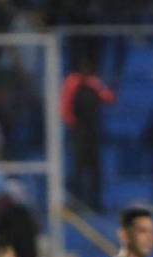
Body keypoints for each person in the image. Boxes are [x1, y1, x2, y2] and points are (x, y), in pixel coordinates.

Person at [61, 60, 116, 211]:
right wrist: (72, 126)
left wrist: (103, 86)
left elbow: (109, 98)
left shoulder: (94, 85)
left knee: (95, 169)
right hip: (79, 132)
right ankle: (76, 202)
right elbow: (66, 107)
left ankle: (95, 202)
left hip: (93, 133)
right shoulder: (72, 83)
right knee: (78, 168)